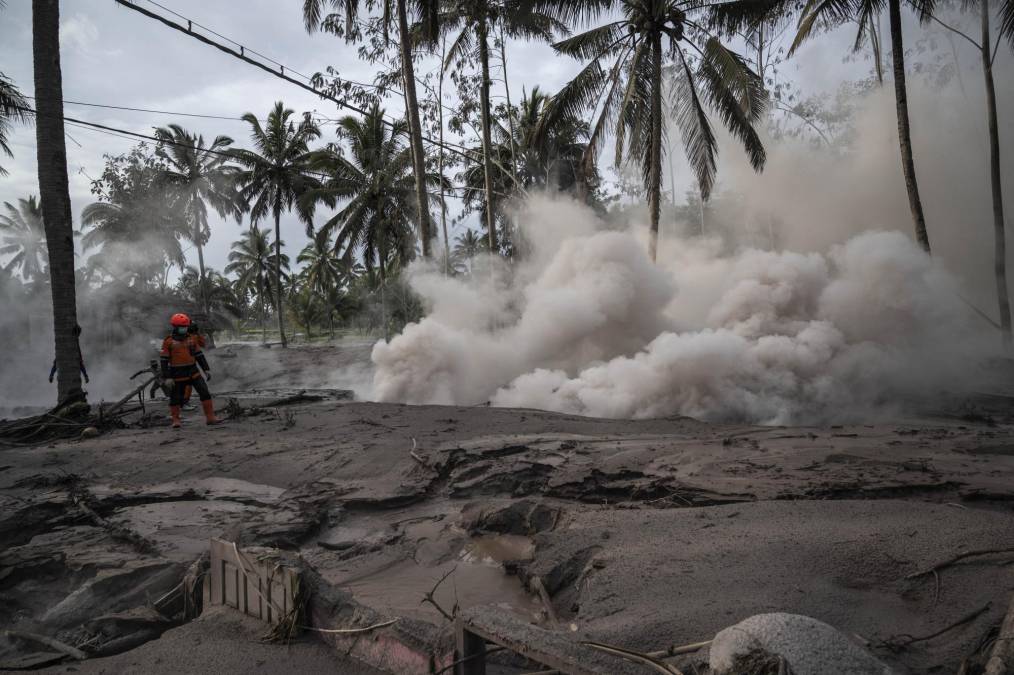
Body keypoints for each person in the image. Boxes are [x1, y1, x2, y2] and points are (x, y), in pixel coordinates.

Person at [159, 313, 221, 428]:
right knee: (176, 397)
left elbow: (199, 355)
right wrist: (167, 377)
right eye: (182, 327)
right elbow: (163, 360)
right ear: (175, 327)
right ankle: (176, 420)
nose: (184, 329)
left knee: (204, 392)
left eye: (186, 327)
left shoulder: (191, 339)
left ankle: (210, 417)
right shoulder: (168, 342)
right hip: (177, 373)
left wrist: (206, 370)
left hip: (193, 371)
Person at [181, 321, 207, 411]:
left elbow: (202, 345)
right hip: (185, 365)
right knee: (188, 384)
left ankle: (185, 402)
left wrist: (198, 334)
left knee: (188, 384)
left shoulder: (192, 337)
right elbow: (202, 346)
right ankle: (184, 402)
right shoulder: (189, 338)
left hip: (190, 364)